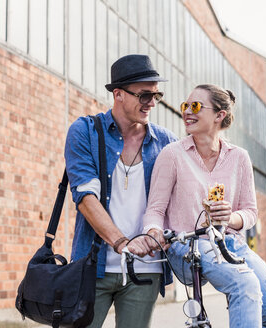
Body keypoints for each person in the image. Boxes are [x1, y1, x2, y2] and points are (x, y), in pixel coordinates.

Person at [143, 84, 266, 328]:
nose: (186, 112)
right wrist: (153, 232)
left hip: (229, 242)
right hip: (187, 244)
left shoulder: (239, 157)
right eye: (185, 106)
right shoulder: (172, 155)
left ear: (219, 115)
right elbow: (155, 210)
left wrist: (230, 218)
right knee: (244, 283)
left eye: (195, 106)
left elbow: (250, 212)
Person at [64, 54, 177, 328]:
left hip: (146, 269)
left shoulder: (166, 142)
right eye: (143, 95)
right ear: (118, 94)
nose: (151, 103)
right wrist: (122, 243)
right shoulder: (85, 132)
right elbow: (85, 198)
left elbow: (179, 200)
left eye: (155, 95)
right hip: (94, 267)